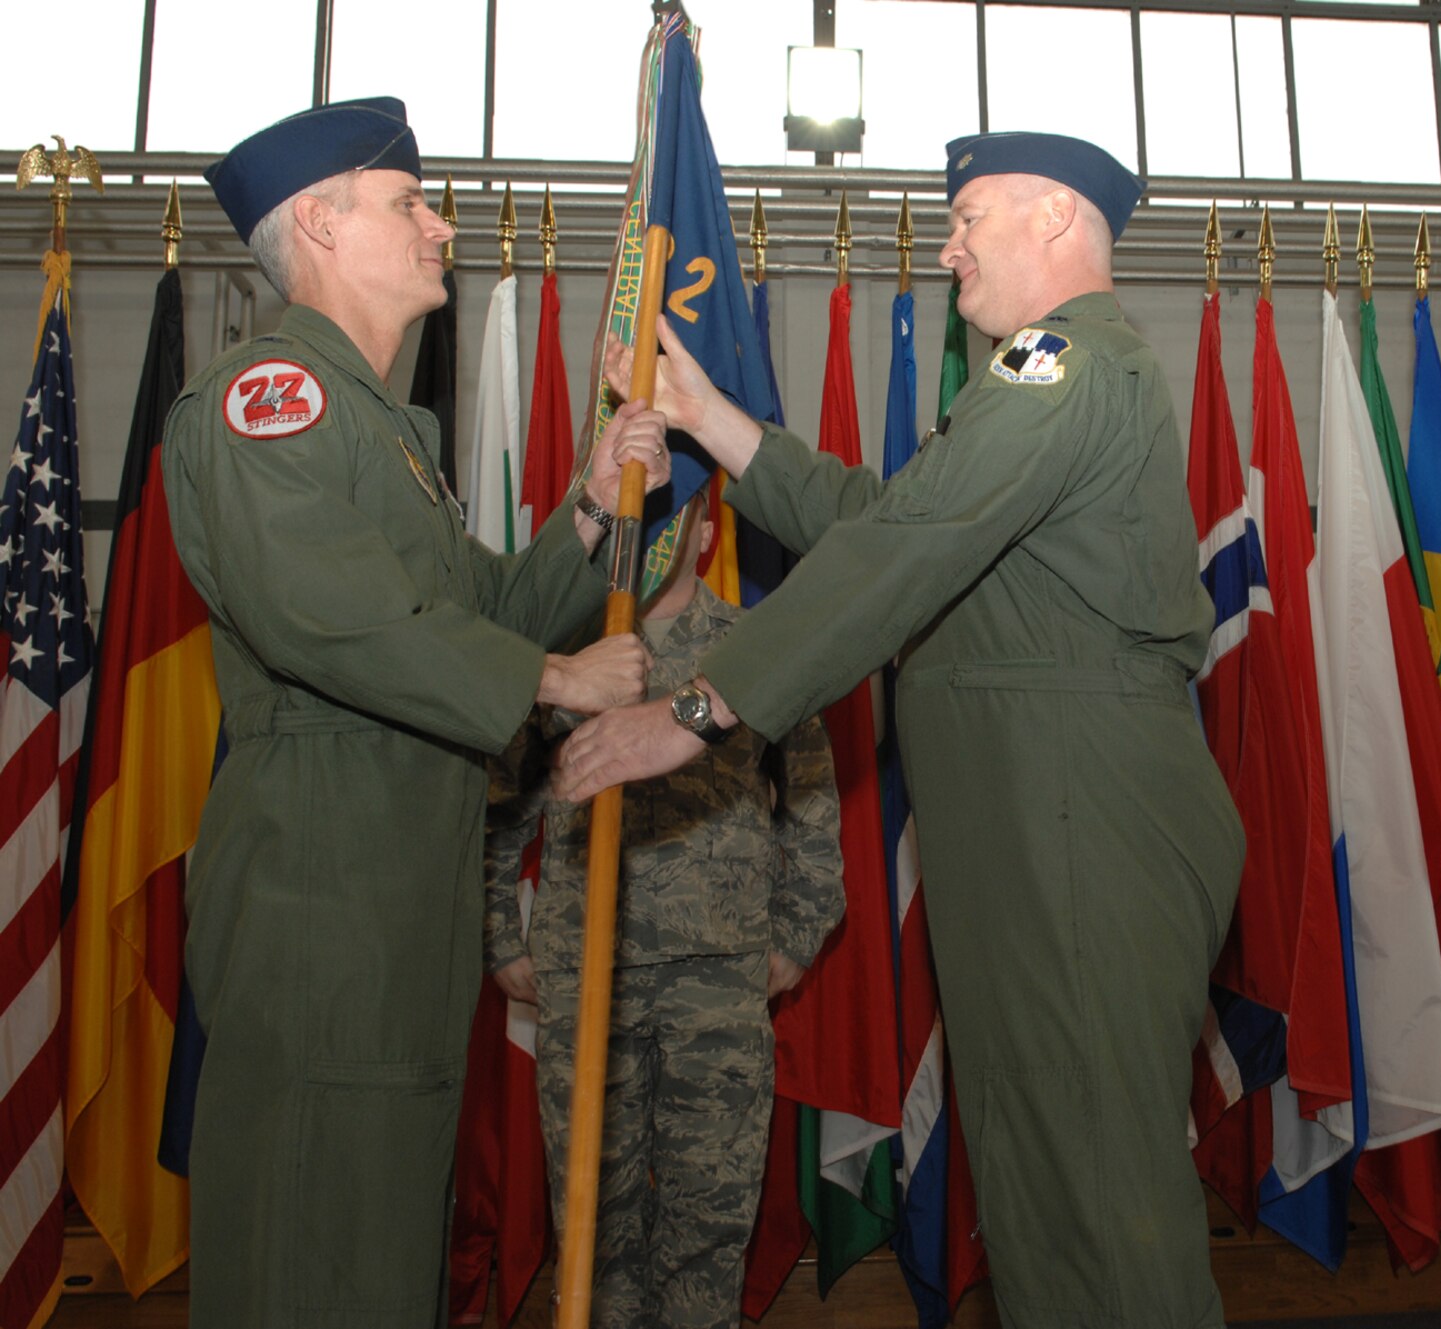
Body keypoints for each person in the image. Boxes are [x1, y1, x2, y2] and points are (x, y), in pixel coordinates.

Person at [555, 131, 1245, 1328]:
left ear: (1055, 220)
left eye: (973, 216)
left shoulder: (1064, 365)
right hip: (1041, 828)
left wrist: (699, 712)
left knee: (1098, 1203)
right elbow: (885, 515)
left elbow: (901, 549)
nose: (948, 243)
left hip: (1082, 825)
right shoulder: (1034, 385)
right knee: (1043, 1199)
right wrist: (709, 416)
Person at [163, 96, 673, 1328]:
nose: (440, 225)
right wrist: (556, 684)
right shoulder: (270, 401)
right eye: (409, 204)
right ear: (321, 225)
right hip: (321, 892)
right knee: (309, 1247)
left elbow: (476, 610)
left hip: (397, 889)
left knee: (379, 1242)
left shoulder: (383, 425)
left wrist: (590, 512)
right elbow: (331, 619)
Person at [483, 489, 844, 1329]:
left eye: (675, 512)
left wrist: (797, 929)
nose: (654, 530)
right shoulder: (569, 651)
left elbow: (814, 794)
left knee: (708, 1225)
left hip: (717, 976)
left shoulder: (756, 648)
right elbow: (503, 794)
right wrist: (501, 930)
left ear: (707, 533)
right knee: (593, 1223)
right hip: (587, 972)